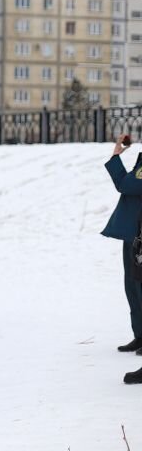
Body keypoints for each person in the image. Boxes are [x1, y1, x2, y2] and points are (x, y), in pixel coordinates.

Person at [101, 134, 142, 358]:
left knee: (139, 286)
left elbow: (126, 185)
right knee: (132, 286)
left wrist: (116, 156)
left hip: (139, 235)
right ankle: (139, 335)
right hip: (133, 234)